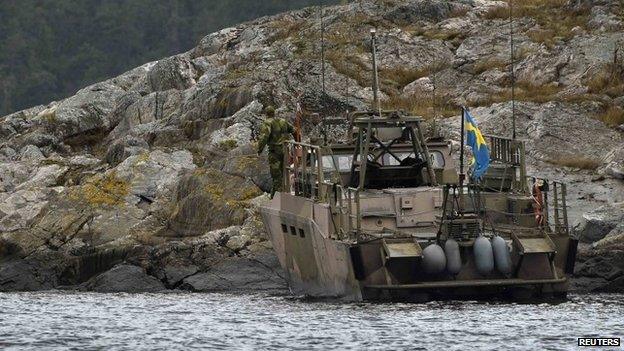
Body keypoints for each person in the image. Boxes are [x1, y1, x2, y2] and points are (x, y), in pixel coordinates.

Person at [257, 105, 296, 198]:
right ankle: (280, 193)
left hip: (275, 152)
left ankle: (275, 197)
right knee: (284, 174)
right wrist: (297, 142)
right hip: (285, 151)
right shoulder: (283, 121)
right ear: (274, 113)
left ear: (266, 114)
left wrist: (259, 150)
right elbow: (294, 130)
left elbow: (264, 137)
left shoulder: (267, 123)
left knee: (276, 176)